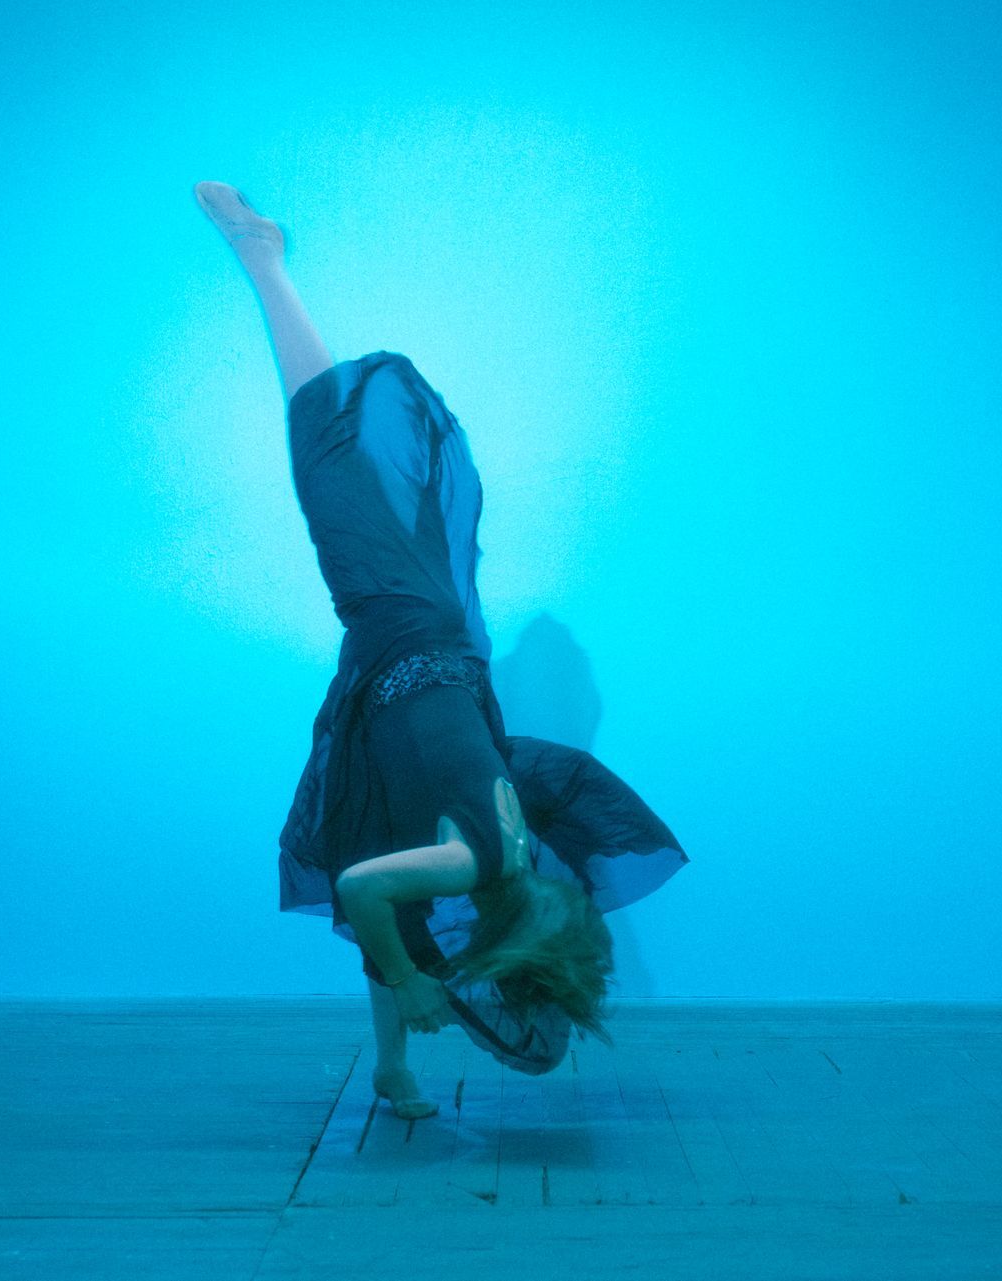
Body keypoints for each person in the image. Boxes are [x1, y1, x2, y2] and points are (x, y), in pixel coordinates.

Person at [193, 182, 690, 1120]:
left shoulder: (519, 852)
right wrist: (418, 985)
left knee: (390, 893)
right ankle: (263, 258)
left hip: (424, 651)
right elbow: (359, 891)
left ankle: (392, 1072)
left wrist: (418, 979)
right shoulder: (477, 866)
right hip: (403, 617)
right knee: (328, 452)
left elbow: (390, 896)